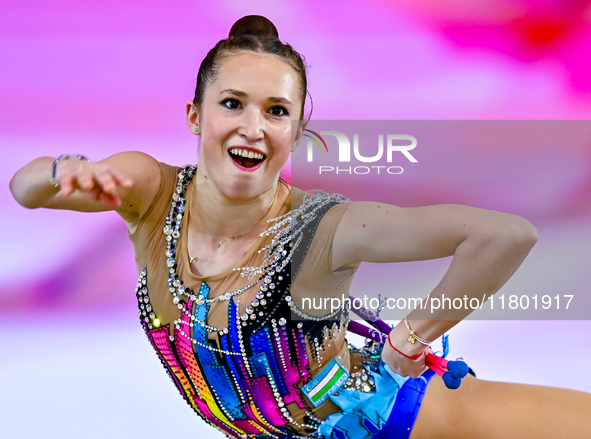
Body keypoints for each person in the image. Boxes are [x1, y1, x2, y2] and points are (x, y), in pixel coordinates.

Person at [9, 14, 591, 439]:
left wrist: (408, 341)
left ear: (297, 130)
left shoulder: (327, 227)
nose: (253, 127)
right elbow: (25, 187)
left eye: (277, 111)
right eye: (232, 103)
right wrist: (68, 171)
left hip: (405, 423)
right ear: (194, 114)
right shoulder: (153, 192)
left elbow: (505, 235)